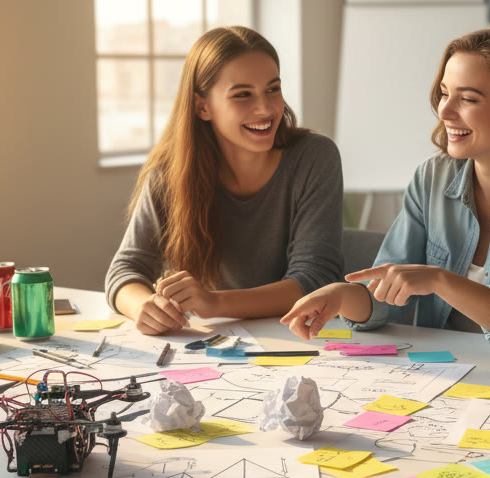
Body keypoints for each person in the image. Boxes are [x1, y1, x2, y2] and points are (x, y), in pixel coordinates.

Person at [281, 26, 490, 350]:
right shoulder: (432, 177)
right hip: (444, 368)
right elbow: (385, 295)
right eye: (445, 93)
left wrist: (439, 280)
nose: (444, 111)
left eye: (468, 99)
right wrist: (340, 296)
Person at [106, 26, 343, 335]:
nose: (265, 108)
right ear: (203, 107)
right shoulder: (169, 172)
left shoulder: (314, 157)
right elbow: (125, 270)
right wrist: (143, 307)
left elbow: (314, 280)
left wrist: (214, 303)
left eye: (273, 89)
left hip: (301, 339)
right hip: (212, 342)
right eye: (243, 95)